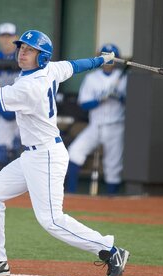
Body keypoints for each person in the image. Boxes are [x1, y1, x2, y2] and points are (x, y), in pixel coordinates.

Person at [0, 30, 129, 276]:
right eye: (21, 48)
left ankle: (109, 249)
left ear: (42, 57)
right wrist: (100, 60)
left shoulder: (30, 86)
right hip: (31, 155)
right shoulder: (51, 69)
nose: (22, 53)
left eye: (29, 50)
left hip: (46, 157)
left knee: (51, 220)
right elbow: (75, 65)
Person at [66, 44, 127, 195]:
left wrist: (118, 96)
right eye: (105, 57)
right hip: (95, 125)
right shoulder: (91, 78)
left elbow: (133, 104)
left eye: (111, 57)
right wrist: (100, 98)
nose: (108, 61)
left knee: (113, 165)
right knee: (74, 151)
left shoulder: (125, 78)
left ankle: (112, 200)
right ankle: (71, 194)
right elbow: (84, 104)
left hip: (116, 125)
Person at [0, 22, 21, 166]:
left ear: (16, 37)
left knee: (21, 150)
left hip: (24, 113)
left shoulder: (25, 58)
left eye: (10, 36)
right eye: (3, 36)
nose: (6, 39)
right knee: (1, 154)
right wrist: (1, 109)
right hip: (3, 110)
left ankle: (28, 188)